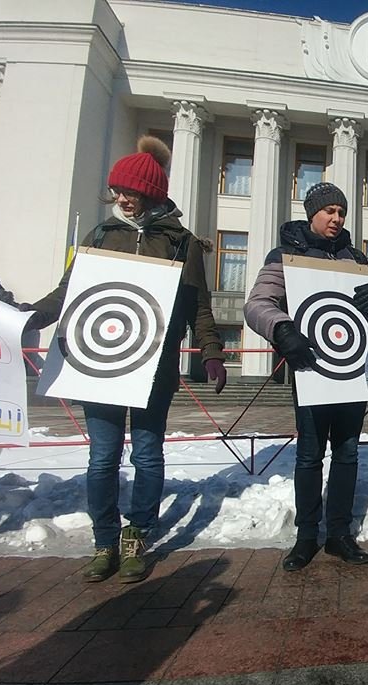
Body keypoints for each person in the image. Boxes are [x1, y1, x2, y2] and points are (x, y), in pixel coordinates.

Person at [22, 136, 227, 582]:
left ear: (152, 193)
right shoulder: (100, 235)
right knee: (102, 458)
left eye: (131, 192)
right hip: (101, 366)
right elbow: (68, 291)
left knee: (148, 455)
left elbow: (199, 306)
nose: (122, 199)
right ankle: (104, 540)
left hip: (154, 369)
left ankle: (138, 535)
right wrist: (30, 315)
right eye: (118, 190)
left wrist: (211, 352)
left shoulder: (181, 243)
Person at [244, 182, 368, 571]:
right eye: (329, 211)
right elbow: (257, 304)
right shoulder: (286, 254)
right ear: (312, 213)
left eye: (341, 212)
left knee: (347, 453)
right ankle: (306, 536)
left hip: (349, 375)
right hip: (311, 372)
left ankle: (340, 534)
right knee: (309, 456)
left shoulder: (354, 257)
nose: (337, 218)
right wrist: (282, 329)